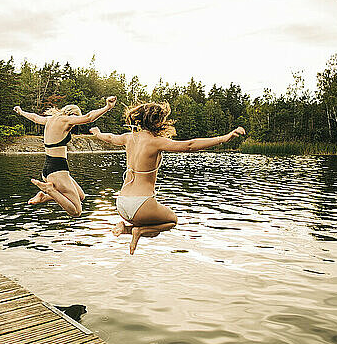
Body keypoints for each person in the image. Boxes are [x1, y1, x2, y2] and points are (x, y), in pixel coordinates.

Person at [90, 102, 245, 254]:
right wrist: (224, 138)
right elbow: (189, 145)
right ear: (157, 122)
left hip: (122, 203)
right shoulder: (155, 142)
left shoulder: (128, 138)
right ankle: (135, 231)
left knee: (154, 230)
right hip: (141, 204)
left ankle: (128, 229)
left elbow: (110, 138)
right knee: (171, 221)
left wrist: (97, 134)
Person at [13, 96, 117, 216]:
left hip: (48, 169)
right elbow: (89, 117)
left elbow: (35, 118)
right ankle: (49, 190)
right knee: (77, 211)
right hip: (58, 170)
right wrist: (107, 107)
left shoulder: (50, 119)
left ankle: (45, 197)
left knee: (81, 196)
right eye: (76, 117)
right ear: (72, 114)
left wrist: (21, 112)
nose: (75, 122)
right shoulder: (66, 120)